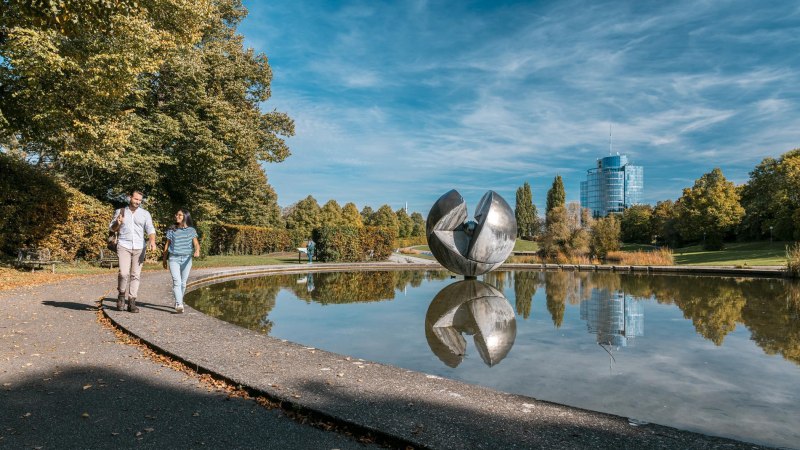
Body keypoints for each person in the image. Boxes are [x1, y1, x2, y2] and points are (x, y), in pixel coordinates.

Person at [110, 190, 157, 312]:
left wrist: (152, 241)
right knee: (124, 273)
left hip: (139, 247)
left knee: (135, 275)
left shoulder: (145, 214)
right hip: (123, 245)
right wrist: (117, 223)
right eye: (136, 199)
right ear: (130, 197)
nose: (138, 202)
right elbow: (112, 228)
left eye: (140, 200)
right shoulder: (120, 212)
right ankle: (121, 296)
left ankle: (132, 301)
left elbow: (150, 229)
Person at [162, 209, 200, 313]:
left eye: (180, 215)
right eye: (177, 214)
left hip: (187, 259)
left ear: (185, 217)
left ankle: (179, 301)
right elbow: (167, 245)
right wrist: (164, 259)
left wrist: (197, 250)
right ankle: (179, 304)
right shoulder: (172, 230)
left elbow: (196, 243)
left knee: (183, 284)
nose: (177, 216)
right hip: (174, 258)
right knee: (177, 281)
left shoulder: (191, 230)